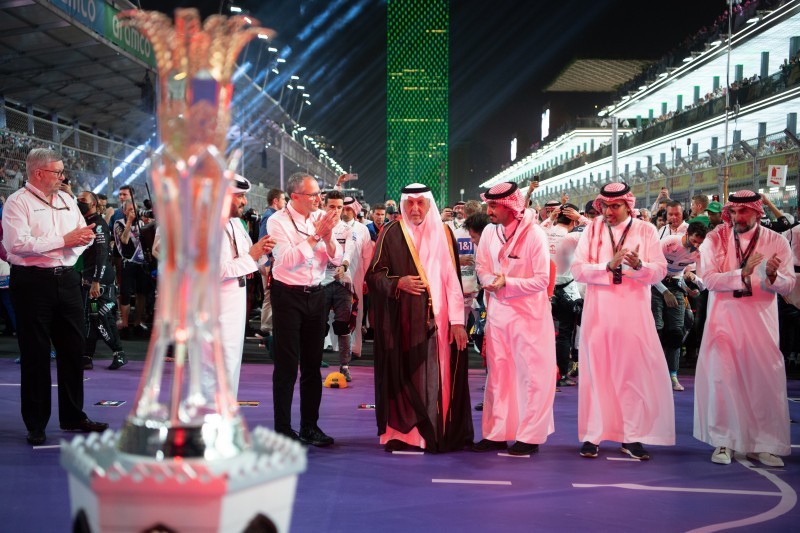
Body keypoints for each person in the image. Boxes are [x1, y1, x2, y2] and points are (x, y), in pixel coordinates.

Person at [2, 148, 108, 445]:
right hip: (32, 282)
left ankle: (73, 415)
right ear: (39, 173)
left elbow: (83, 235)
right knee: (35, 353)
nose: (63, 177)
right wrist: (63, 241)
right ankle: (36, 423)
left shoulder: (66, 200)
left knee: (73, 350)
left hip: (68, 278)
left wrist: (71, 245)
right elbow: (17, 245)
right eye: (57, 172)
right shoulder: (17, 202)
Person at [366, 183, 473, 453]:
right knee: (404, 376)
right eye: (410, 203)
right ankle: (405, 436)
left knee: (436, 378)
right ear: (403, 204)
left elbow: (452, 281)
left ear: (428, 204)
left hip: (440, 322)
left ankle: (435, 433)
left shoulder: (444, 232)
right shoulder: (391, 232)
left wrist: (458, 322)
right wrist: (397, 282)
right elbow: (374, 274)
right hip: (401, 322)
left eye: (420, 203)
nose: (415, 208)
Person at [571, 181, 673, 460]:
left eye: (615, 206)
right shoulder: (592, 229)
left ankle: (632, 436)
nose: (609, 212)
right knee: (596, 373)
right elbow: (577, 270)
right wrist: (607, 266)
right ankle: (593, 435)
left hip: (633, 313)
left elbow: (660, 271)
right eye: (605, 206)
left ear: (628, 205)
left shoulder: (645, 230)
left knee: (631, 374)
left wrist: (640, 266)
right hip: (598, 312)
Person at [694, 191, 795, 467]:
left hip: (761, 322)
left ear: (757, 212)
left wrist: (773, 276)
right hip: (723, 321)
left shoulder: (776, 240)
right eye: (734, 212)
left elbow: (788, 284)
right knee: (723, 379)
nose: (737, 217)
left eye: (744, 212)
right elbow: (708, 279)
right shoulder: (716, 238)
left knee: (764, 381)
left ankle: (764, 444)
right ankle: (724, 441)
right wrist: (742, 273)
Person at [472, 182, 556, 456]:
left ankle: (529, 436)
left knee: (531, 375)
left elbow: (542, 280)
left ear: (510, 207)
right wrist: (490, 282)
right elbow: (481, 266)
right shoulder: (489, 231)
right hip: (498, 314)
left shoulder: (535, 234)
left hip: (529, 316)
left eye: (493, 206)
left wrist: (507, 283)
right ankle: (497, 433)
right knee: (498, 374)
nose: (488, 211)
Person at [267, 172, 342, 447]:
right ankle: (283, 430)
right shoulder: (277, 221)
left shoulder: (319, 217)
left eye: (319, 194)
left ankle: (310, 426)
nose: (318, 199)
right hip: (288, 295)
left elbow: (337, 258)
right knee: (287, 366)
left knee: (312, 365)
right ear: (295, 196)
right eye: (313, 195)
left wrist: (328, 238)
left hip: (317, 294)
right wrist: (316, 236)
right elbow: (287, 260)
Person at [220, 175, 275, 398]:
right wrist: (253, 256)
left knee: (232, 362)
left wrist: (267, 259)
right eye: (240, 196)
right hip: (217, 308)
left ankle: (227, 410)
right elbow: (219, 271)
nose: (244, 201)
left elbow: (250, 254)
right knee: (218, 365)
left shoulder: (236, 222)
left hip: (236, 302)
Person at [651, 221, 707, 392]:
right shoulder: (669, 243)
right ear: (687, 234)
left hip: (675, 286)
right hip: (655, 285)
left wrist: (689, 288)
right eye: (694, 241)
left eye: (700, 243)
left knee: (676, 332)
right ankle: (652, 373)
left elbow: (681, 274)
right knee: (656, 330)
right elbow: (650, 269)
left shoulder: (698, 252)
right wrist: (664, 292)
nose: (696, 245)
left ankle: (673, 375)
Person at [76, 191, 127, 371]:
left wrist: (96, 280)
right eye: (78, 199)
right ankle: (87, 356)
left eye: (83, 200)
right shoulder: (84, 221)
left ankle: (119, 353)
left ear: (94, 204)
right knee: (90, 318)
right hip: (89, 278)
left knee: (100, 317)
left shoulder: (98, 224)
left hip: (99, 280)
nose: (79, 202)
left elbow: (102, 254)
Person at [256, 188, 286, 346]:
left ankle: (267, 329)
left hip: (272, 262)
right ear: (275, 201)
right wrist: (266, 263)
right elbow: (263, 240)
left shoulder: (273, 216)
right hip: (269, 264)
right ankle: (266, 329)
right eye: (283, 199)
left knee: (271, 295)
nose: (285, 202)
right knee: (269, 295)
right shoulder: (269, 216)